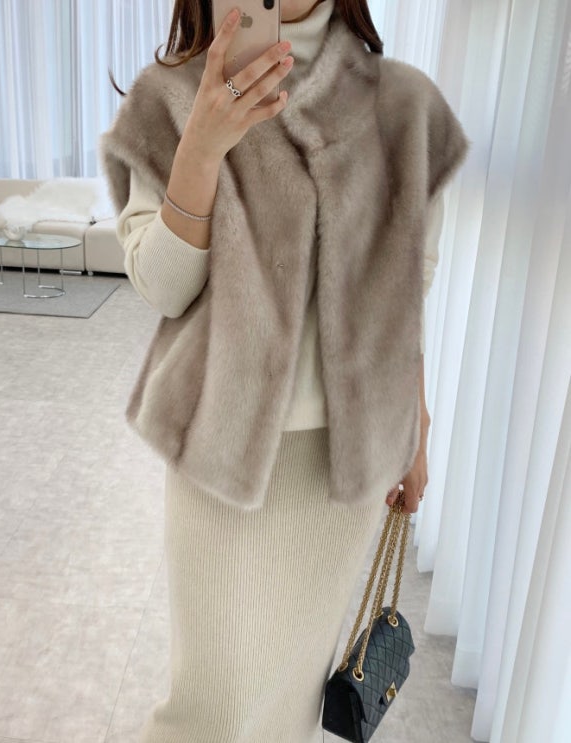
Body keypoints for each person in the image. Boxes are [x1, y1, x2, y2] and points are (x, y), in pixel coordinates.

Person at [101, 0, 468, 740]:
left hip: (342, 465)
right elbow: (163, 287)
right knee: (209, 710)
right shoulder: (169, 98)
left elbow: (401, 290)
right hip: (222, 453)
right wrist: (201, 151)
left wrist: (416, 421)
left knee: (288, 701)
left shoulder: (399, 105)